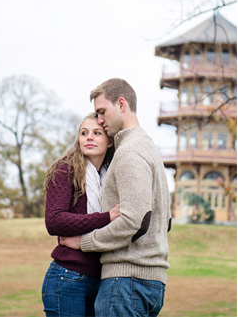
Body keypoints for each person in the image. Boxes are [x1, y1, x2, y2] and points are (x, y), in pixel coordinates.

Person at [59, 78, 171, 317]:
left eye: (102, 112)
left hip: (126, 282)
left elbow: (133, 221)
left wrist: (85, 242)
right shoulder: (149, 148)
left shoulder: (130, 152)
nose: (99, 120)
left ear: (121, 104)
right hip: (149, 283)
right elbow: (166, 220)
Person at [42, 113, 119, 317]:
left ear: (110, 141)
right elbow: (54, 221)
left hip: (101, 279)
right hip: (67, 277)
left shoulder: (110, 177)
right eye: (84, 133)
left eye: (97, 133)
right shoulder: (65, 169)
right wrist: (105, 218)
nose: (89, 137)